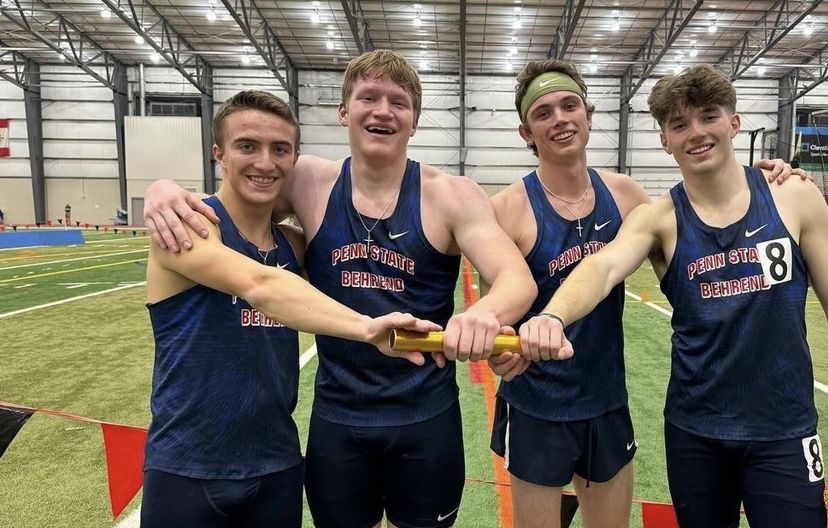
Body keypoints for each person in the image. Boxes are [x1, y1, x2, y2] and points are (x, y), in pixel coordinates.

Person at [143, 50, 536, 528]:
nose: (383, 110)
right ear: (344, 111)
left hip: (424, 416)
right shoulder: (308, 179)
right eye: (368, 97)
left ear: (414, 120)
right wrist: (162, 187)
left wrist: (485, 314)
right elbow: (243, 190)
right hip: (339, 418)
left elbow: (516, 279)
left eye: (399, 101)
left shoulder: (452, 194)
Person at [517, 64, 828, 528]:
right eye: (679, 124)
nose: (696, 133)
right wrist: (552, 316)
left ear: (733, 122)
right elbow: (603, 266)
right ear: (665, 140)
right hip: (695, 434)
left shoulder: (792, 196)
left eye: (708, 117)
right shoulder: (658, 218)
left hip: (783, 432)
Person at [484, 59, 803, 527]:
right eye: (543, 112)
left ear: (589, 117)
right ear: (526, 132)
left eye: (570, 106)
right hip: (537, 406)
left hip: (606, 399)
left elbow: (695, 217)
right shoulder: (506, 209)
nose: (559, 119)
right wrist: (499, 351)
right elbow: (499, 311)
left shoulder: (627, 195)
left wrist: (755, 176)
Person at [143, 90, 441, 528]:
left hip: (276, 467)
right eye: (247, 146)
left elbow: (353, 259)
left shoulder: (293, 245)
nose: (265, 163)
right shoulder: (188, 229)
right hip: (189, 467)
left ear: (294, 159)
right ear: (219, 154)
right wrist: (366, 328)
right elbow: (260, 284)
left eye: (280, 149)